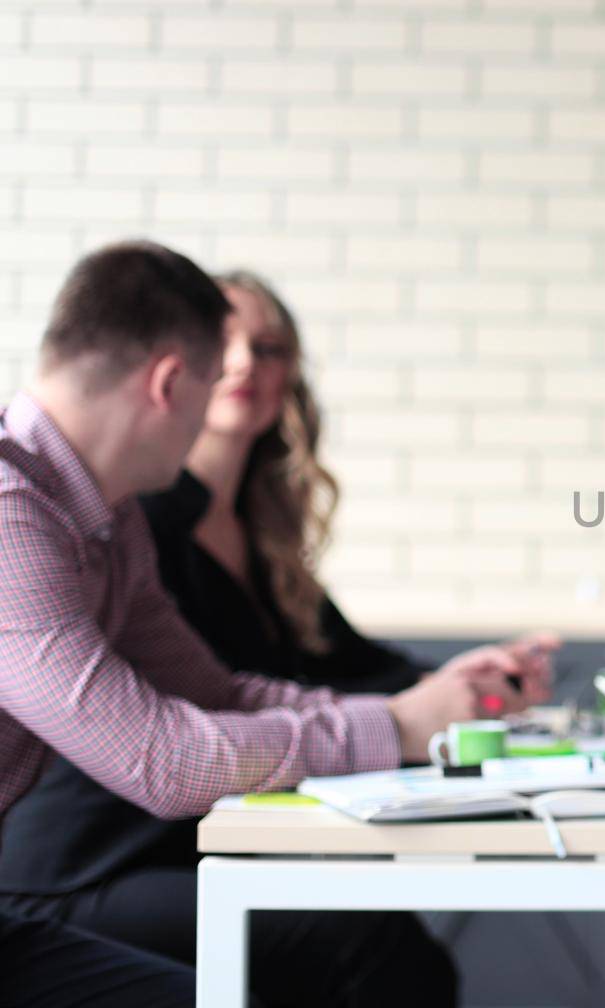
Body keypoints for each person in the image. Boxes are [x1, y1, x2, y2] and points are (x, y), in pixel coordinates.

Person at [0, 242, 545, 1006]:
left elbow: (216, 691)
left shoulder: (107, 521)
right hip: (55, 882)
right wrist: (393, 729)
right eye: (213, 378)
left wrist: (398, 715)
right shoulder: (11, 512)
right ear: (168, 384)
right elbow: (165, 761)